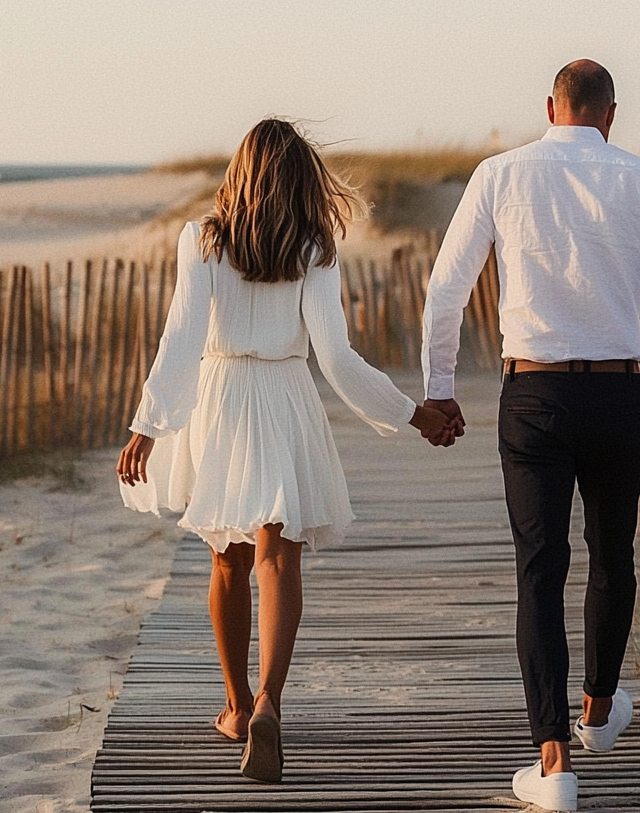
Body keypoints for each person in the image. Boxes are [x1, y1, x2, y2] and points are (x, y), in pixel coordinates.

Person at [117, 119, 449, 784]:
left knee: (227, 562)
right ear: (300, 181)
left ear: (239, 174)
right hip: (285, 395)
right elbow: (336, 358)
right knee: (279, 556)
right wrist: (411, 413)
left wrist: (148, 424)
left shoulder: (203, 240)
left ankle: (237, 708)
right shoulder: (314, 248)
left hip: (219, 399)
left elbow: (182, 337)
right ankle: (271, 701)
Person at [421, 60, 640, 813]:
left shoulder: (499, 174)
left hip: (534, 392)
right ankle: (597, 708)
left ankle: (553, 767)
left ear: (549, 107)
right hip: (617, 392)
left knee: (540, 570)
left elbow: (446, 290)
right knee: (614, 553)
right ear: (611, 115)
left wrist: (441, 390)